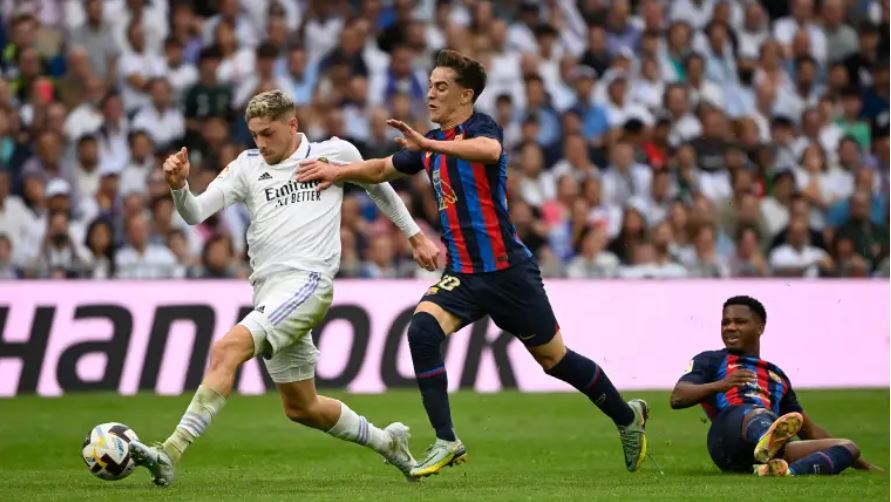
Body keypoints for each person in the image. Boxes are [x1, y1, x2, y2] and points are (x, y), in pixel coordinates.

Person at [297, 50, 649, 478]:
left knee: (555, 360)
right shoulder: (428, 146)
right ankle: (446, 439)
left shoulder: (479, 129)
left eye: (441, 87)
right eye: (429, 85)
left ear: (466, 95)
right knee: (421, 331)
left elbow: (489, 150)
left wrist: (428, 144)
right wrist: (338, 172)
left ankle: (626, 417)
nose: (430, 93)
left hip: (508, 273)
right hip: (463, 275)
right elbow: (381, 169)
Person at [127, 90, 441, 486]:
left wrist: (415, 237)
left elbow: (378, 185)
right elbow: (195, 213)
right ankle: (388, 443)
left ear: (292, 125)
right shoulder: (246, 167)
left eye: (268, 133)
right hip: (269, 291)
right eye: (254, 134)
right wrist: (178, 187)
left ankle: (169, 451)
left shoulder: (335, 153)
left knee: (227, 348)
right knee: (302, 407)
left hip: (309, 281)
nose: (261, 143)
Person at [670, 296, 880, 476]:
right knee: (756, 412)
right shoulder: (711, 360)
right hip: (727, 439)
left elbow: (808, 430)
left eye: (740, 322)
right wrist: (719, 385)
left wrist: (864, 465)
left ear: (760, 327)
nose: (730, 327)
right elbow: (678, 397)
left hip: (760, 453)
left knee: (848, 447)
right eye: (725, 323)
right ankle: (767, 440)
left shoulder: (777, 377)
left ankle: (785, 471)